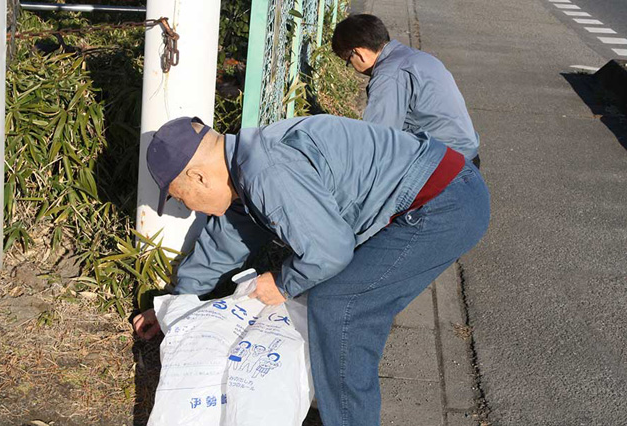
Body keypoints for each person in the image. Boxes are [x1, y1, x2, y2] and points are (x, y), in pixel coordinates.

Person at [133, 115, 490, 426]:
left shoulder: (267, 172)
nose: (190, 207)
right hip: (440, 191)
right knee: (337, 296)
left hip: (444, 204)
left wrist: (283, 283)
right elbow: (225, 241)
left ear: (198, 177)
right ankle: (338, 391)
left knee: (341, 305)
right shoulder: (246, 165)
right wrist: (175, 305)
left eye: (182, 197)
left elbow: (330, 252)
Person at [332, 14, 481, 167]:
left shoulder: (389, 75)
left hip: (444, 167)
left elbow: (375, 141)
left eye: (348, 61)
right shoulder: (415, 58)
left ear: (359, 53)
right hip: (465, 155)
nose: (355, 69)